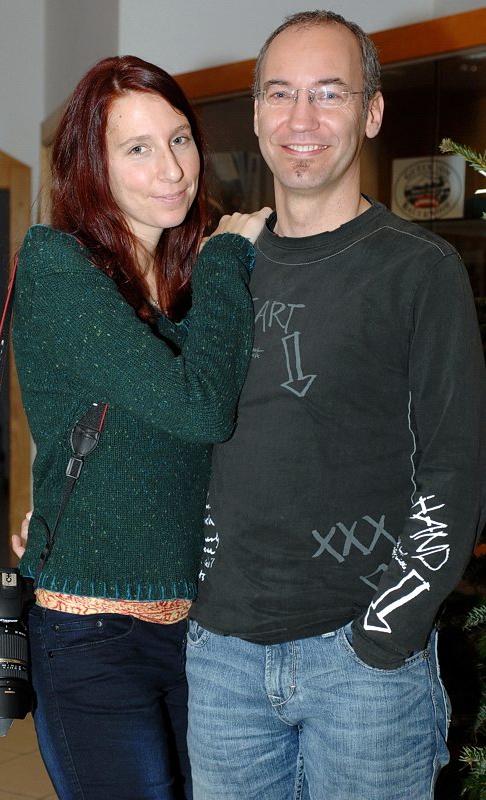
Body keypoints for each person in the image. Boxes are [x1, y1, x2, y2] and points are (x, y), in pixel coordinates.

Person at [185, 10, 486, 800]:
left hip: (362, 671)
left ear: (371, 111)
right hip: (219, 660)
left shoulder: (418, 272)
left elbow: (454, 472)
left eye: (328, 93)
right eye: (279, 93)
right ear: (256, 113)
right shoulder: (221, 266)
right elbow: (179, 427)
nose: (301, 119)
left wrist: (383, 638)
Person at [11, 54, 269, 800]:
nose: (172, 168)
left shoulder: (179, 288)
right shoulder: (57, 265)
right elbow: (200, 409)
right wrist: (228, 255)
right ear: (90, 167)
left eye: (179, 138)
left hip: (200, 630)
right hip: (94, 634)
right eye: (137, 148)